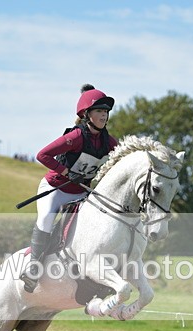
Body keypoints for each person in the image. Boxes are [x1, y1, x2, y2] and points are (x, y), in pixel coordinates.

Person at [20, 84, 119, 292]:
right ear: (87, 114)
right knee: (46, 220)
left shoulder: (108, 142)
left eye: (106, 111)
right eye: (99, 111)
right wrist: (66, 172)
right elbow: (42, 155)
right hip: (56, 188)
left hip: (81, 193)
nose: (104, 115)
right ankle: (33, 268)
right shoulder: (75, 137)